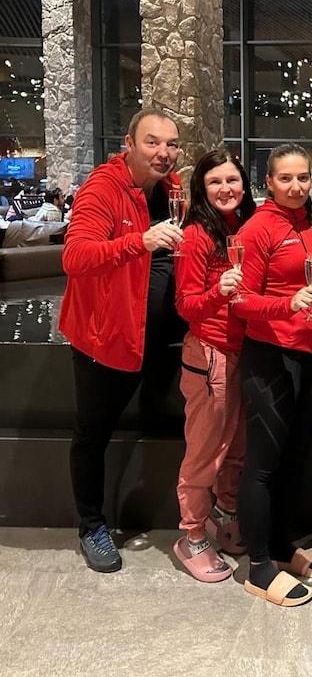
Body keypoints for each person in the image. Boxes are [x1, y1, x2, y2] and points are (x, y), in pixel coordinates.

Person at [59, 107, 186, 573]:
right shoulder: (102, 188)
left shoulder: (170, 189)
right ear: (129, 144)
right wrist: (141, 242)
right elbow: (75, 257)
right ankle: (91, 526)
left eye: (171, 144)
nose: (163, 152)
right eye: (153, 142)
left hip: (152, 334)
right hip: (105, 336)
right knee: (92, 433)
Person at [235, 144, 312, 607]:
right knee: (261, 465)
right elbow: (239, 301)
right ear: (269, 182)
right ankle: (258, 566)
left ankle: (278, 546)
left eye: (304, 177)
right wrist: (284, 305)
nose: (296, 186)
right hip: (271, 357)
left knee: (294, 458)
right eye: (286, 179)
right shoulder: (256, 229)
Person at [172, 150, 256, 582]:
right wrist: (219, 292)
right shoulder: (195, 235)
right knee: (206, 451)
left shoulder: (240, 227)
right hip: (209, 353)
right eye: (216, 182)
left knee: (237, 448)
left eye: (233, 180)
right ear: (202, 190)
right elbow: (186, 306)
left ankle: (224, 515)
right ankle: (191, 534)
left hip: (243, 353)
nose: (226, 189)